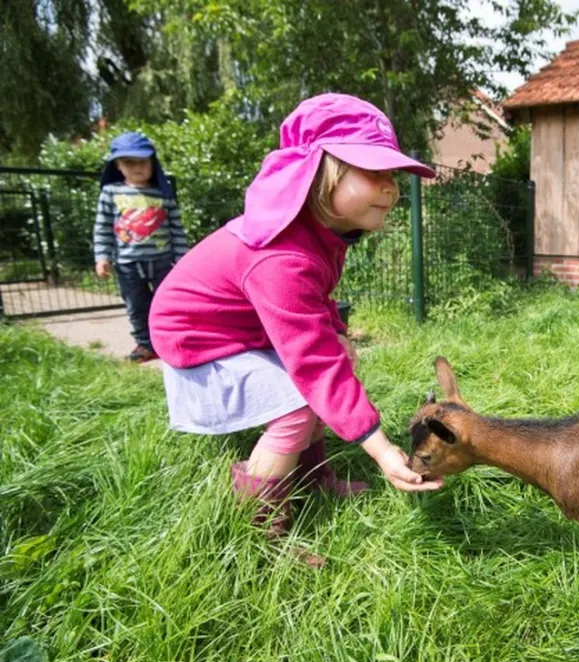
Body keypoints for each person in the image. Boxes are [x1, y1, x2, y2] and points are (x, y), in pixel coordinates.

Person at [149, 94, 443, 537]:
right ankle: (260, 527)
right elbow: (313, 364)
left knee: (333, 361)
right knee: (299, 399)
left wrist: (336, 332)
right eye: (374, 171)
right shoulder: (279, 258)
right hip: (199, 343)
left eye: (393, 175)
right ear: (320, 174)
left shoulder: (319, 234)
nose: (390, 187)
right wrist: (381, 449)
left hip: (239, 330)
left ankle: (312, 476)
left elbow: (315, 298)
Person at [94, 132, 188, 363]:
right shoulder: (111, 193)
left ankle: (172, 340)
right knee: (136, 305)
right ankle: (145, 344)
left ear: (152, 163)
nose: (137, 167)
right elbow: (103, 227)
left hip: (162, 261)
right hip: (128, 263)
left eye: (143, 161)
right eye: (129, 162)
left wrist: (183, 260)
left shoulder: (163, 194)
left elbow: (176, 229)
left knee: (168, 301)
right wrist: (102, 256)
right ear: (117, 165)